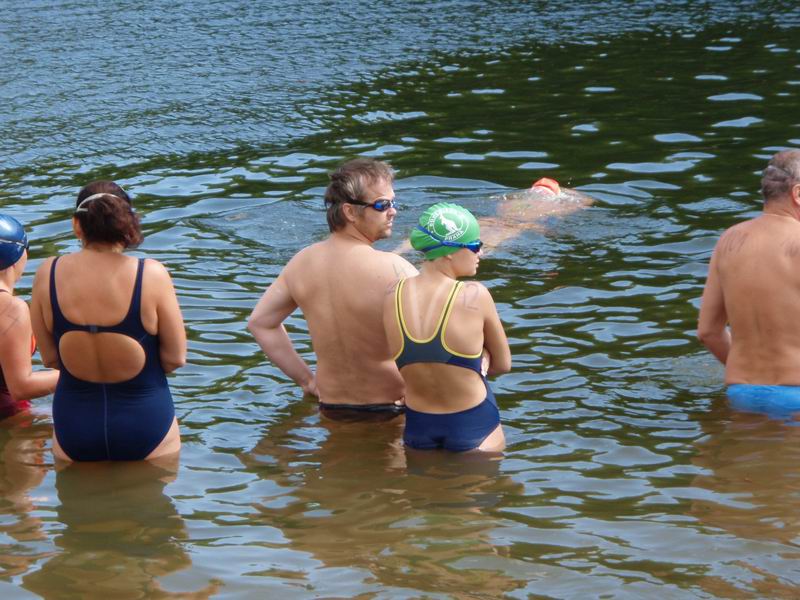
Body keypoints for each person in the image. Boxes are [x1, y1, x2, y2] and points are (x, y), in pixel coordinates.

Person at [248, 158, 418, 421]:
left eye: (393, 203)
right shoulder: (395, 268)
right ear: (350, 212)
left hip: (332, 409)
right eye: (382, 205)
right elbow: (439, 337)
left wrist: (307, 381)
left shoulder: (301, 263)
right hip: (393, 409)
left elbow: (260, 323)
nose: (393, 211)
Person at [30, 181, 186, 461]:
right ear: (128, 223)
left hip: (74, 425)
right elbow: (175, 359)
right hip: (146, 422)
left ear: (77, 225)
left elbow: (51, 359)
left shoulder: (47, 273)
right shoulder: (151, 274)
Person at [383, 203, 511, 451]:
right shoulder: (475, 294)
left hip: (418, 426)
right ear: (450, 251)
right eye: (475, 245)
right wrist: (482, 355)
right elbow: (503, 365)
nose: (481, 253)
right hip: (472, 423)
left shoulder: (392, 295)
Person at [698, 149, 800, 417]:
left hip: (743, 394)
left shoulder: (729, 239)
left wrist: (750, 376)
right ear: (798, 194)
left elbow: (708, 332)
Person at [0, 215, 59, 420]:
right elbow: (21, 387)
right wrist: (83, 374)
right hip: (10, 419)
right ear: (19, 254)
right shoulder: (11, 308)